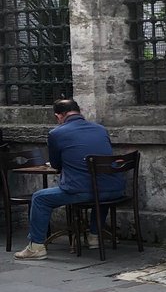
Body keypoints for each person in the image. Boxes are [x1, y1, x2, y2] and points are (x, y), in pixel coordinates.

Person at [14, 99, 123, 261]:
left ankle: (36, 247)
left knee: (39, 198)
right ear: (79, 111)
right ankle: (94, 237)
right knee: (99, 188)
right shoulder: (101, 129)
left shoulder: (56, 133)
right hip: (115, 189)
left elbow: (56, 165)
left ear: (59, 116)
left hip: (83, 191)